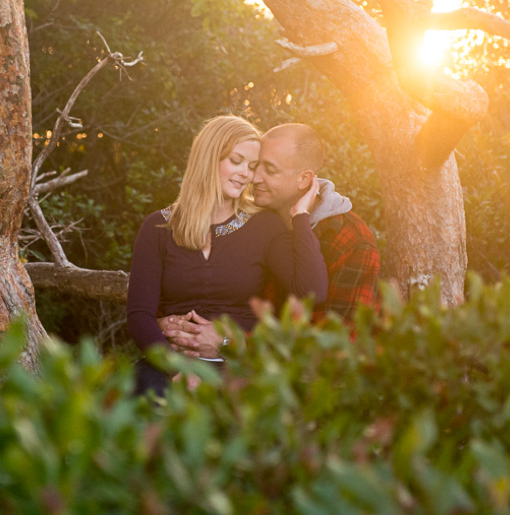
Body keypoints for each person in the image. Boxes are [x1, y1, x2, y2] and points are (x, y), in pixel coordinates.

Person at [126, 115, 328, 396]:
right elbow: (139, 314)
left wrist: (301, 217)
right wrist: (177, 369)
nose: (247, 174)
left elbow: (311, 292)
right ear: (209, 158)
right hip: (169, 367)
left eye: (252, 166)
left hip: (237, 368)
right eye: (236, 161)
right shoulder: (158, 227)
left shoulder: (264, 226)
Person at [160, 122, 380, 354]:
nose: (254, 178)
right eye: (256, 166)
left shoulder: (349, 239)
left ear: (304, 179)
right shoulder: (245, 220)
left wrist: (231, 342)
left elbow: (335, 341)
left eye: (270, 170)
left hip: (306, 383)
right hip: (228, 367)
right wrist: (165, 324)